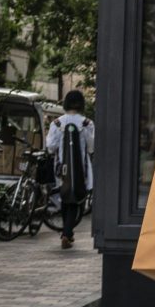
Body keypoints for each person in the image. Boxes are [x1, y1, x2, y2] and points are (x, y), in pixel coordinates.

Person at [46, 91, 94, 249]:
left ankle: (67, 233)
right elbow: (91, 147)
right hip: (81, 169)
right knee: (76, 199)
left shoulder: (56, 123)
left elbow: (51, 147)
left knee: (64, 195)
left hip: (61, 168)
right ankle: (67, 233)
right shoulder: (87, 123)